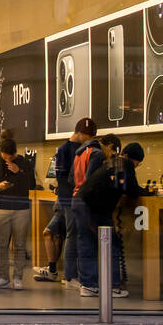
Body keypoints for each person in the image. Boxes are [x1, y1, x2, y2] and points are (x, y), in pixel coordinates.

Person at [34, 116, 96, 283]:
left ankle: (70, 275)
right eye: (89, 138)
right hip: (68, 199)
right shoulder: (64, 150)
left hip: (71, 198)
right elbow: (62, 178)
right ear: (81, 133)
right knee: (72, 234)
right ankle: (70, 276)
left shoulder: (81, 149)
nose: (89, 142)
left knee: (72, 234)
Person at [72, 132, 121, 297]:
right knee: (101, 242)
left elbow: (72, 177)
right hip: (89, 202)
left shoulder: (81, 151)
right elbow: (92, 180)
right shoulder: (98, 153)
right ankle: (108, 284)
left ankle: (87, 284)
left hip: (76, 198)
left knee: (84, 242)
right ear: (110, 147)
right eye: (114, 152)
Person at [0, 137, 35, 290]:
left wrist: (19, 172)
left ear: (15, 153)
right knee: (1, 244)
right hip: (2, 207)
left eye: (11, 155)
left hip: (21, 208)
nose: (8, 158)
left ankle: (18, 277)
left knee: (20, 244)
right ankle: (3, 276)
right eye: (5, 155)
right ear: (1, 152)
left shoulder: (25, 164)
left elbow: (32, 185)